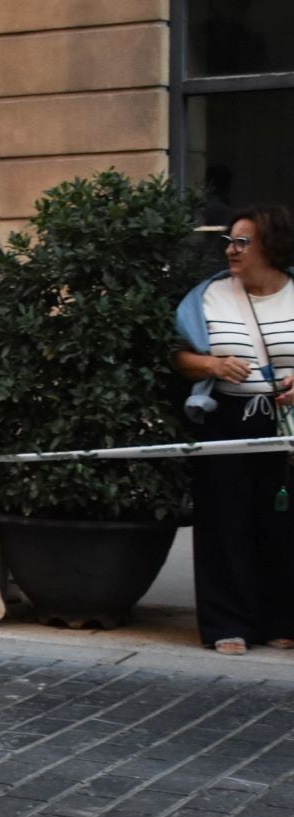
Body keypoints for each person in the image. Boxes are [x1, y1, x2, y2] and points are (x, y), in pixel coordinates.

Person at [171, 205, 294, 654]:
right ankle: (227, 623)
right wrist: (212, 363)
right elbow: (179, 355)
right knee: (225, 521)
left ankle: (282, 618)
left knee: (280, 522)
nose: (231, 250)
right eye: (230, 241)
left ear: (271, 247)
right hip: (226, 416)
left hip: (284, 422)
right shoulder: (208, 296)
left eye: (242, 242)